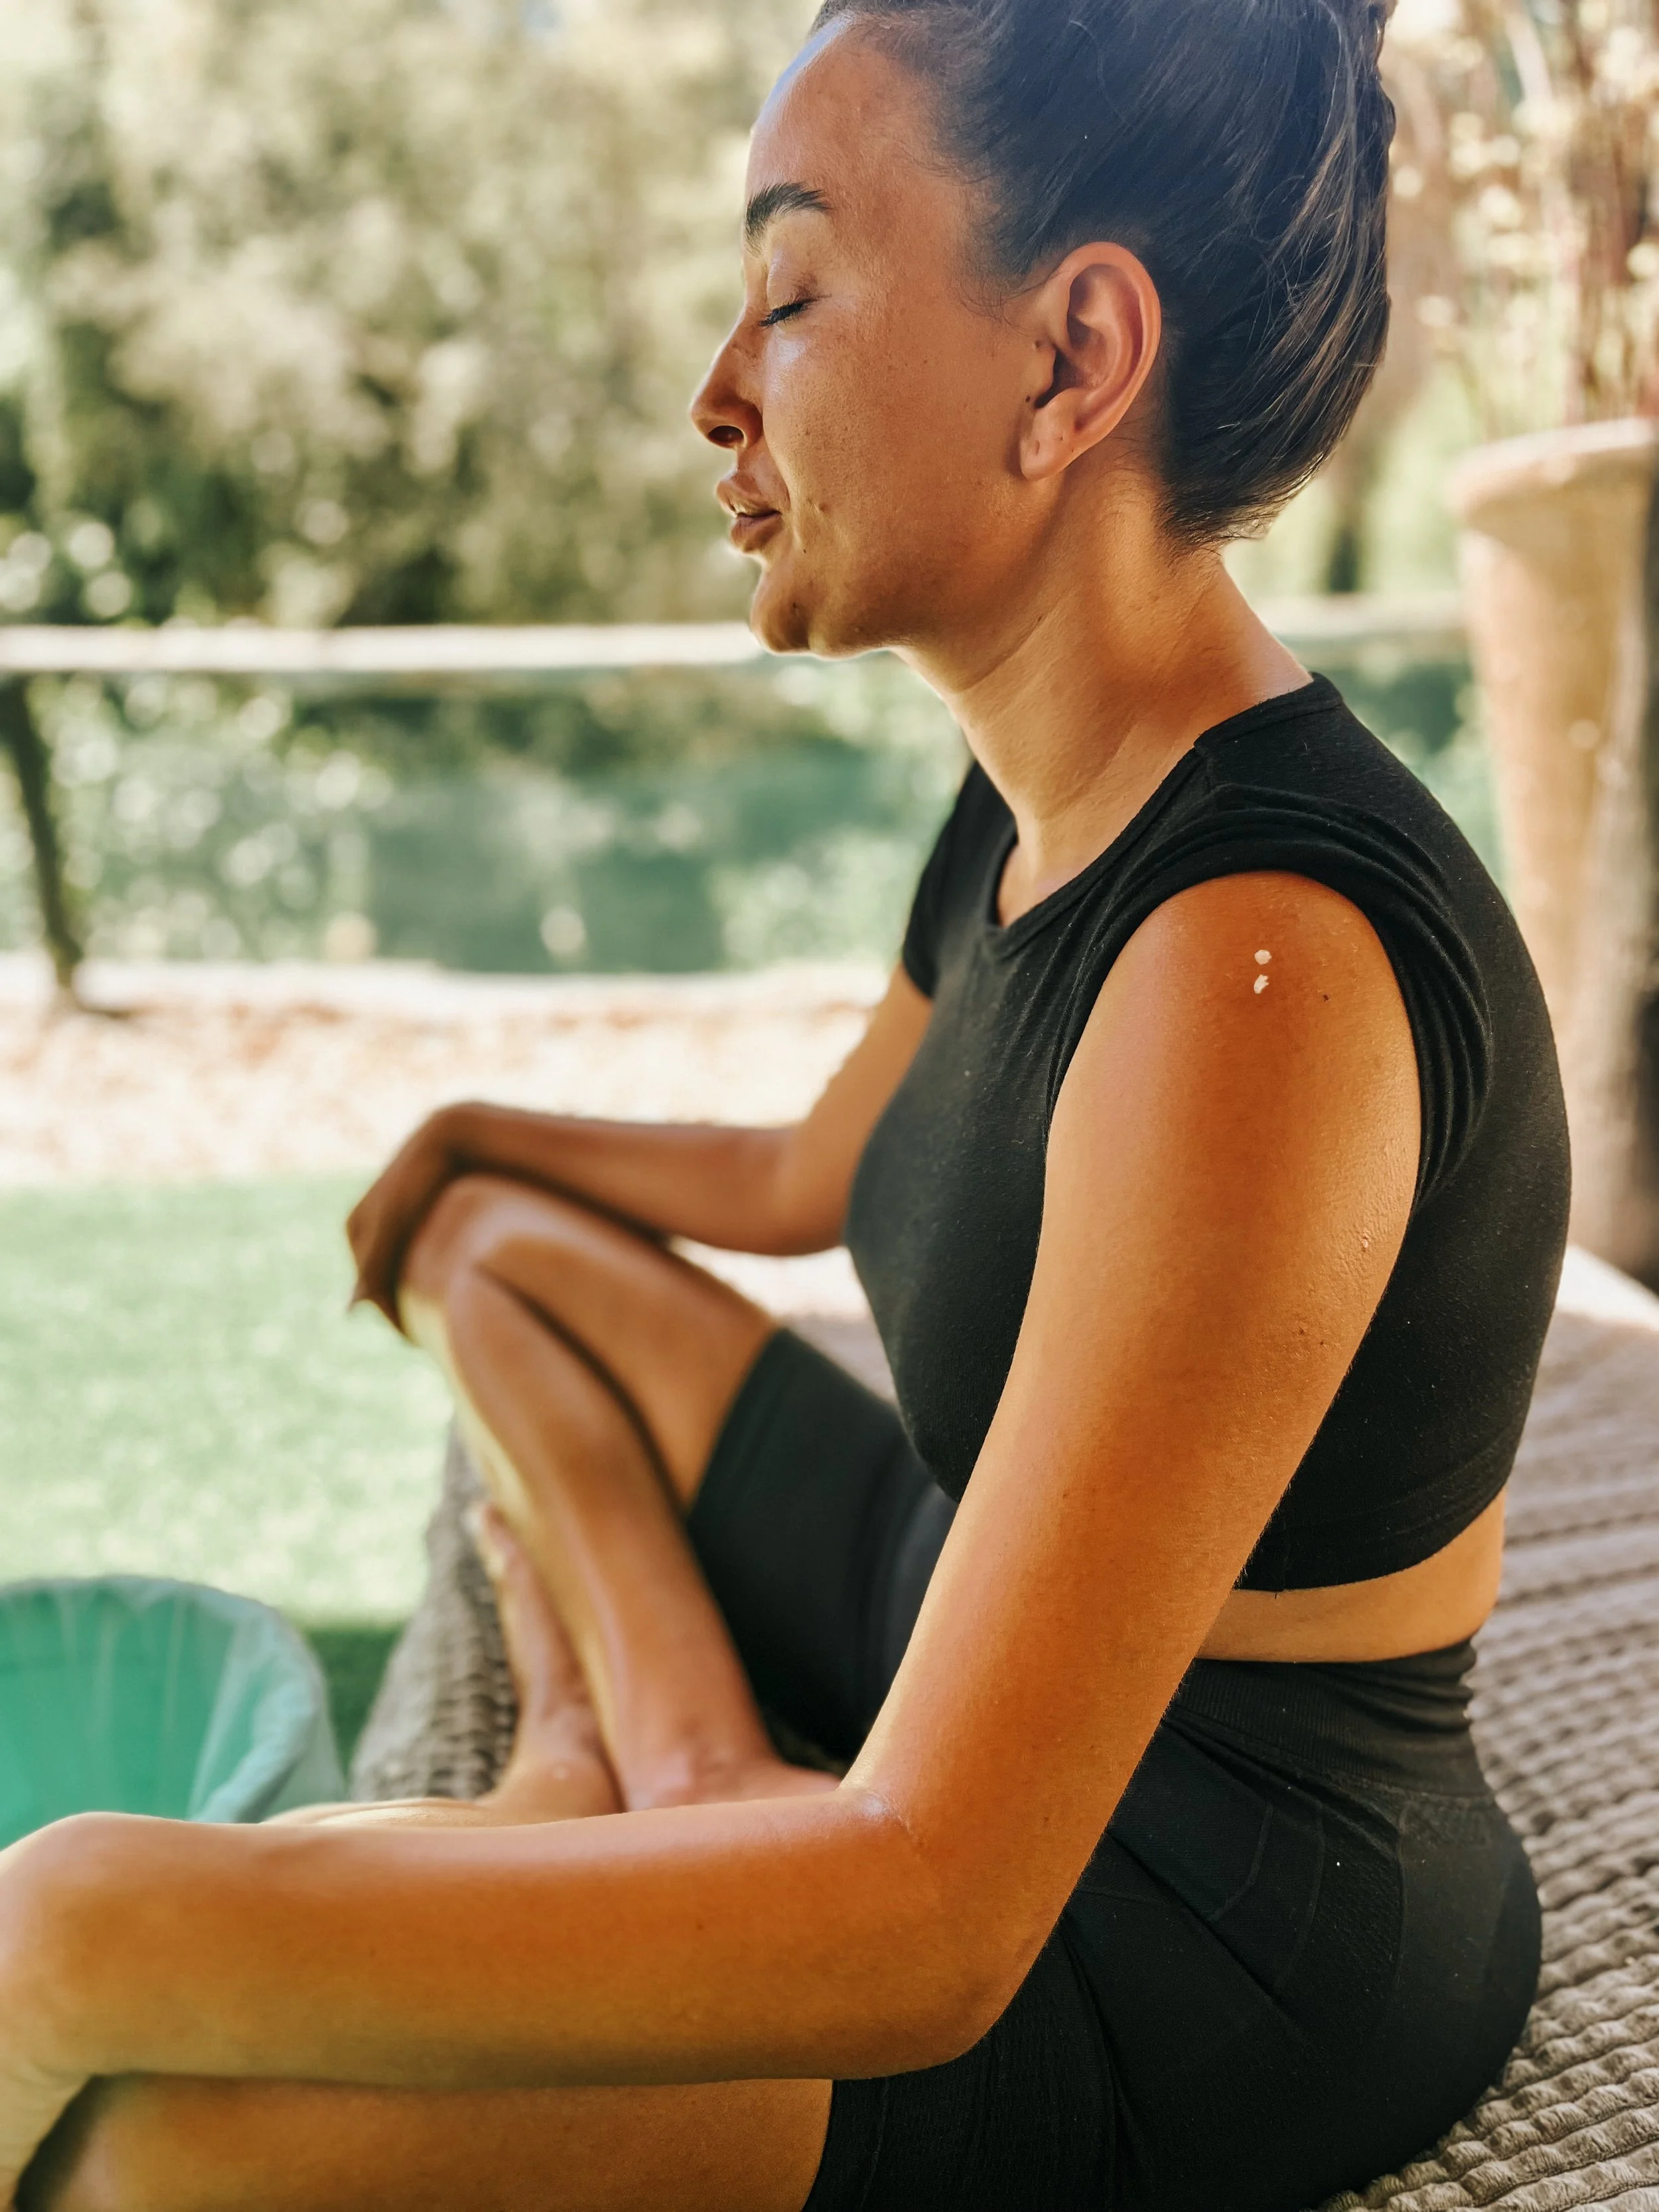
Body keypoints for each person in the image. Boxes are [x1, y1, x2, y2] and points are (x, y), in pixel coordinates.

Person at [0, 1, 1569, 2205]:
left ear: (1070, 359)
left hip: (1199, 1912)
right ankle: (654, 1755)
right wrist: (476, 1139)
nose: (715, 391)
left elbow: (926, 1914)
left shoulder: (1264, 972)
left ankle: (628, 1781)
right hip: (954, 1598)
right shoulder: (1034, 803)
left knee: (158, 2150)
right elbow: (797, 1178)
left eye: (793, 287)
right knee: (498, 1255)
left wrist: (71, 1928)